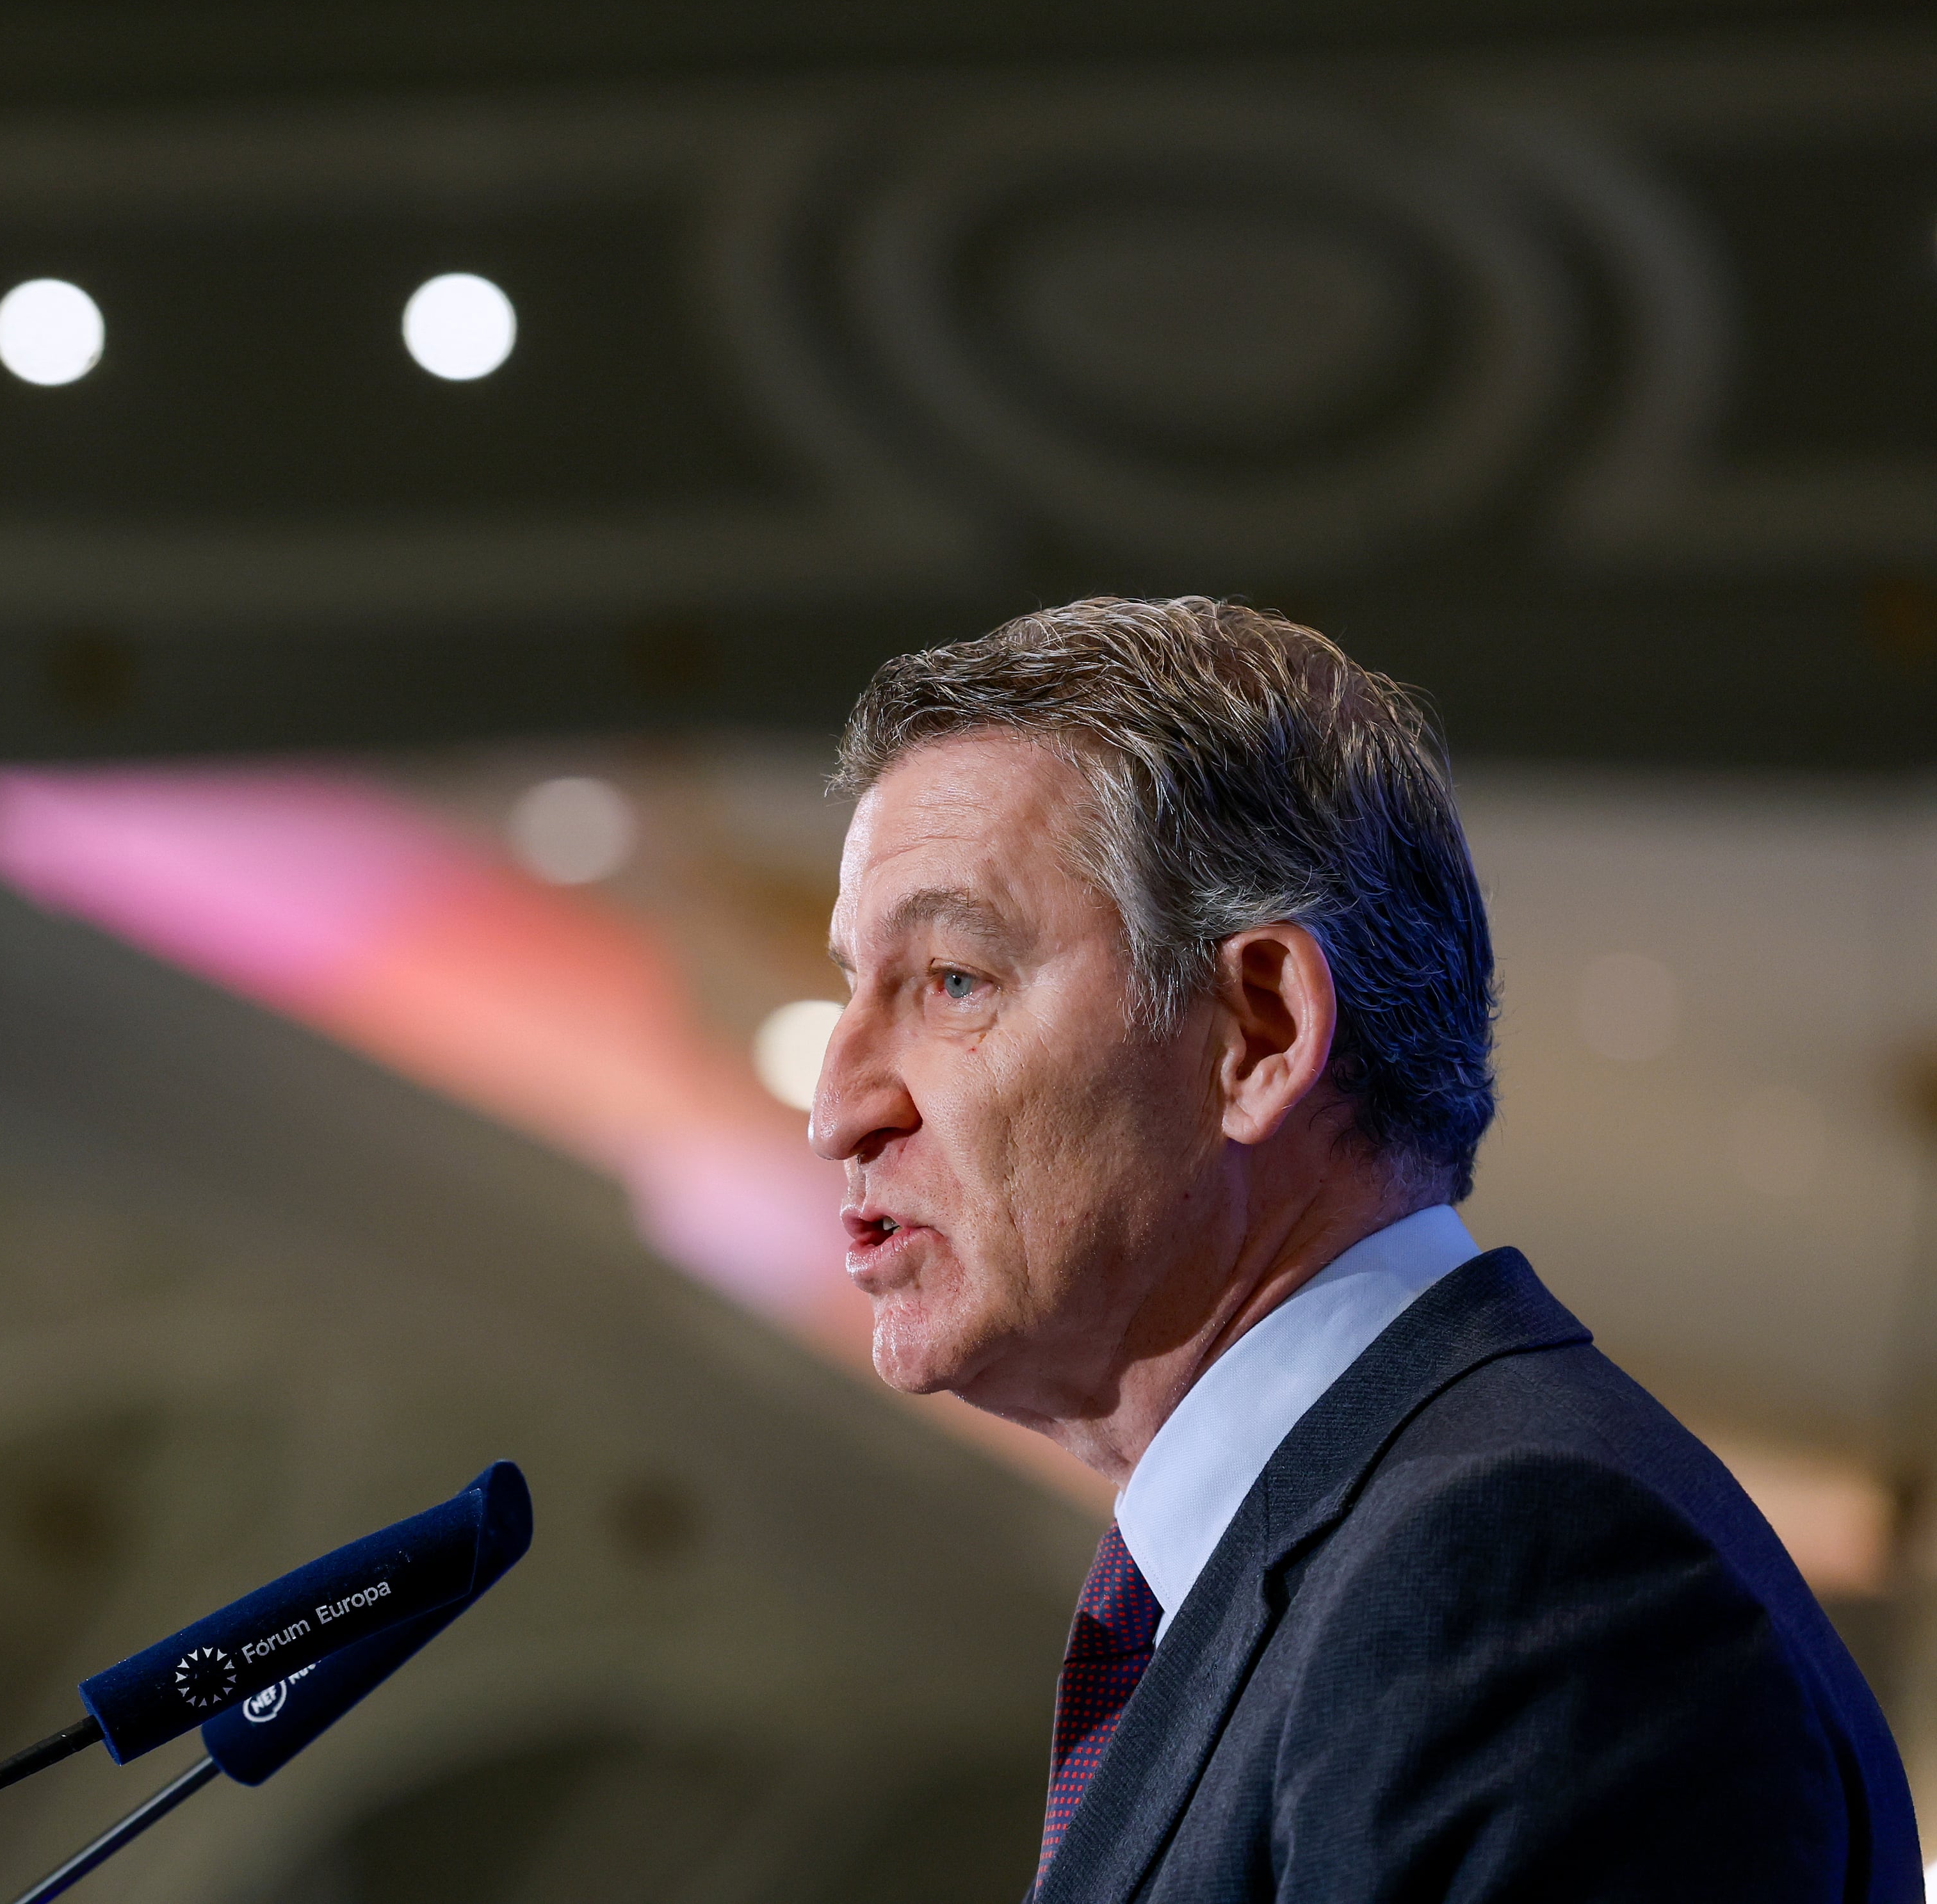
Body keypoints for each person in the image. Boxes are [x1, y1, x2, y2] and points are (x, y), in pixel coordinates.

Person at [807, 597, 1917, 1901]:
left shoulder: (1524, 1576)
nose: (836, 1105)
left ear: (1260, 1032)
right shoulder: (1357, 1556)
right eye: (847, 984)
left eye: (952, 979)